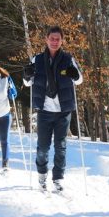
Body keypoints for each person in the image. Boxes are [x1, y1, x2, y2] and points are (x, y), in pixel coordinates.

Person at [23, 26, 83, 192]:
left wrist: (74, 74)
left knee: (60, 146)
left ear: (62, 40)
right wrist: (27, 75)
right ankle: (42, 175)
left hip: (63, 111)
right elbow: (27, 83)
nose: (55, 42)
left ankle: (57, 178)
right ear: (46, 39)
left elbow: (79, 80)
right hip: (44, 110)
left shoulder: (68, 59)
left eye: (58, 39)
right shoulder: (37, 59)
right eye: (52, 39)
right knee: (43, 147)